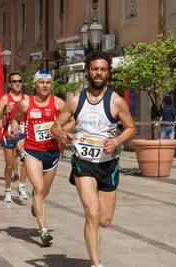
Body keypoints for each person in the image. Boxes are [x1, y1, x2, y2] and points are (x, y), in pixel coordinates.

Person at [51, 50, 136, 267]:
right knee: (92, 212)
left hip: (108, 164)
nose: (99, 73)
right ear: (87, 71)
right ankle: (96, 264)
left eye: (103, 69)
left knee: (103, 221)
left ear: (108, 72)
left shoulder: (116, 101)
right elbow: (55, 127)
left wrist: (116, 142)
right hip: (83, 162)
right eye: (95, 69)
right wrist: (63, 135)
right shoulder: (75, 101)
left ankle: (93, 248)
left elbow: (131, 128)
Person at [7, 70, 70, 247]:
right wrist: (13, 131)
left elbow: (72, 120)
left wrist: (62, 131)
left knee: (43, 192)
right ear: (34, 84)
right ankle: (43, 231)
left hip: (52, 152)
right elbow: (16, 121)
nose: (45, 86)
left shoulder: (58, 103)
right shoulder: (25, 104)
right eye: (41, 82)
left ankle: (37, 204)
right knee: (38, 187)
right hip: (32, 150)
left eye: (48, 83)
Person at [0, 72, 29, 202]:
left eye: (19, 81)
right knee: (9, 165)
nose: (17, 83)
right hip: (8, 135)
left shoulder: (27, 98)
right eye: (14, 81)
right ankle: (7, 189)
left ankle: (22, 186)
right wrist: (4, 111)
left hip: (22, 133)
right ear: (10, 84)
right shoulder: (5, 99)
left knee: (25, 157)